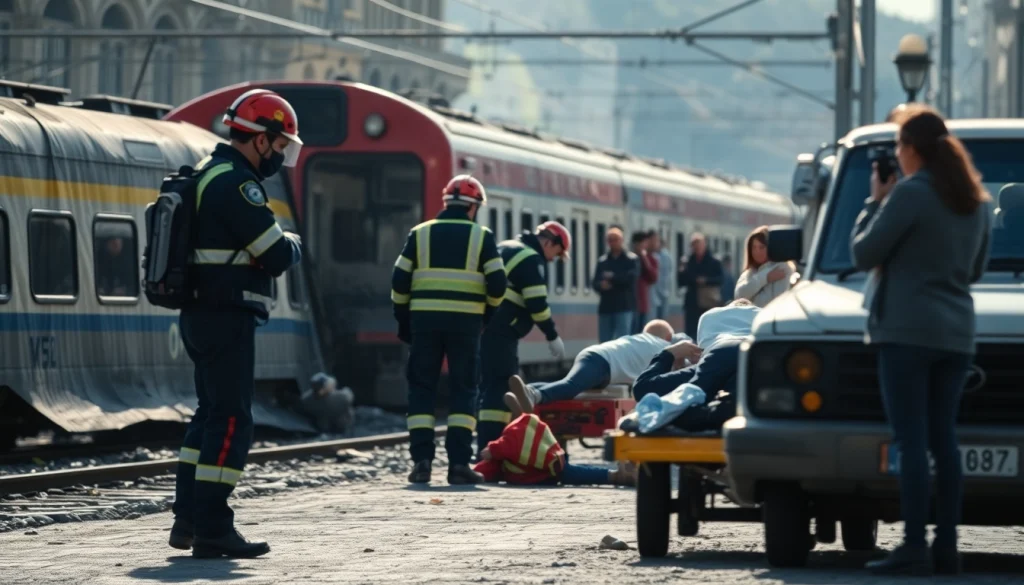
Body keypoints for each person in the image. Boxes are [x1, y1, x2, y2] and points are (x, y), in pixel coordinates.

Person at [852, 105, 991, 576]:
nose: (897, 155)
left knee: (910, 440)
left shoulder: (910, 194)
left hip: (906, 333)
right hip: (957, 334)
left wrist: (875, 201)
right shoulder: (974, 199)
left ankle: (913, 543)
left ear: (911, 150)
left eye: (898, 147)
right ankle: (947, 545)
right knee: (944, 439)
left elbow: (864, 251)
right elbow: (974, 271)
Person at [169, 89, 303, 559]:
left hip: (201, 313)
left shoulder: (208, 172)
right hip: (225, 314)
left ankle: (188, 519)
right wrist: (293, 241)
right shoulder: (237, 184)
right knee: (231, 421)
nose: (281, 154)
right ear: (262, 140)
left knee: (207, 417)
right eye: (281, 144)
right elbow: (276, 255)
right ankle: (213, 528)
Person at [391, 174, 507, 485]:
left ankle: (421, 464)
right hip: (466, 324)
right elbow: (498, 284)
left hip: (424, 323)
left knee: (421, 389)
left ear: (447, 203)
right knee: (464, 390)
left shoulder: (420, 233)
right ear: (474, 207)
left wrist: (404, 319)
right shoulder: (482, 237)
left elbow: (399, 281)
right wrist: (486, 314)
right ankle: (458, 464)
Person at [476, 221, 569, 453]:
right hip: (502, 328)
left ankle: (484, 444)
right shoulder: (530, 258)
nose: (551, 260)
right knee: (501, 385)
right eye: (555, 254)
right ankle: (490, 446)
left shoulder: (505, 246)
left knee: (486, 385)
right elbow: (537, 303)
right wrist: (552, 335)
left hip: (481, 324)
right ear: (549, 242)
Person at [506, 319, 678, 412]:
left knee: (573, 389)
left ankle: (526, 390)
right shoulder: (664, 346)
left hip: (603, 367)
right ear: (668, 337)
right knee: (571, 386)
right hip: (600, 360)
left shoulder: (644, 340)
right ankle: (533, 394)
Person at [474, 391, 636, 487]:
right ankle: (524, 416)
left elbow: (505, 449)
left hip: (546, 467)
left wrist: (490, 453)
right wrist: (490, 453)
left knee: (577, 472)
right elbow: (506, 450)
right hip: (548, 462)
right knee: (577, 471)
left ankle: (616, 476)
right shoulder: (501, 454)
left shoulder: (501, 455)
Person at [593, 227, 637, 341]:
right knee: (604, 342)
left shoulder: (631, 260)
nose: (613, 243)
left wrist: (612, 277)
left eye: (615, 239)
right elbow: (594, 282)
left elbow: (630, 279)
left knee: (623, 341)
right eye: (610, 240)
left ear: (621, 240)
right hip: (606, 307)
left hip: (624, 306)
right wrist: (600, 285)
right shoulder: (603, 261)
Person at [734, 226, 795, 308]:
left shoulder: (782, 268)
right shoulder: (749, 272)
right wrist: (765, 277)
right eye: (754, 247)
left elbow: (773, 302)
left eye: (761, 247)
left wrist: (752, 294)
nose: (757, 252)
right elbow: (739, 296)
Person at [677, 233, 724, 339]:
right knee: (691, 332)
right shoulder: (687, 261)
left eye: (699, 245)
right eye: (694, 245)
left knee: (708, 330)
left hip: (709, 301)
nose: (697, 248)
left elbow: (720, 279)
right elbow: (681, 281)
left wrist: (706, 280)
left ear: (704, 245)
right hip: (692, 302)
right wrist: (682, 271)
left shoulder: (714, 261)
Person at [631, 231, 659, 333]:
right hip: (629, 302)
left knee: (640, 332)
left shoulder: (650, 259)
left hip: (642, 302)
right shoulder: (629, 258)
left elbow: (653, 277)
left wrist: (644, 258)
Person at [649, 231, 673, 320]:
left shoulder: (666, 256)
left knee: (662, 322)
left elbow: (668, 274)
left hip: (664, 293)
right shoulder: (649, 256)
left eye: (657, 240)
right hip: (652, 295)